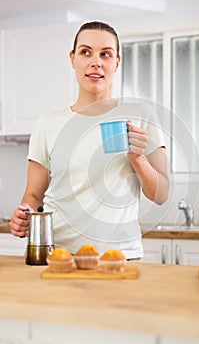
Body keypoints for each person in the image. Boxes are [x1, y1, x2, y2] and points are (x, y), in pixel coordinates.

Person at [9, 21, 169, 259]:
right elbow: (33, 196)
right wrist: (23, 216)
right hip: (58, 255)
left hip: (120, 256)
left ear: (116, 62)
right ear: (73, 59)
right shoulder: (48, 123)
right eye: (86, 52)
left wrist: (138, 159)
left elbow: (161, 195)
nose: (96, 62)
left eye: (106, 54)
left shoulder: (141, 115)